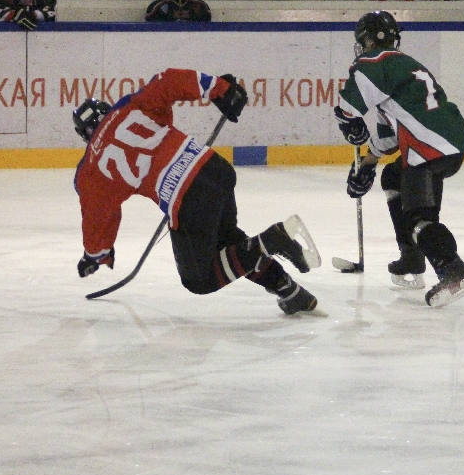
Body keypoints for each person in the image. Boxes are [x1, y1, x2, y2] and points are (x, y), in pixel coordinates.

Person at [73, 68, 321, 315]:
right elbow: (168, 81)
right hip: (216, 169)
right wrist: (220, 89)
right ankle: (288, 290)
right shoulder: (128, 107)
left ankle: (274, 239)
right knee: (227, 243)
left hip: (188, 199)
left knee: (199, 280)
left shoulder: (90, 170)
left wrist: (96, 255)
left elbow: (98, 215)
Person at [333, 10, 464, 308]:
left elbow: (347, 107)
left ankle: (454, 270)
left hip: (426, 145)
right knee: (393, 176)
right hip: (451, 142)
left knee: (419, 219)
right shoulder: (405, 65)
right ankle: (412, 257)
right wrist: (367, 164)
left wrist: (349, 123)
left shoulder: (372, 62)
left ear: (367, 40)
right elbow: (389, 136)